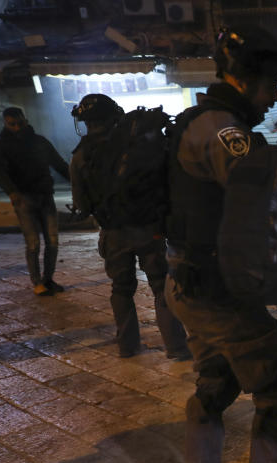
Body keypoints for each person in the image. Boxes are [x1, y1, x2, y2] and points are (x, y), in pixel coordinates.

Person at [164, 25, 277, 463]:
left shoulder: (202, 120)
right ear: (245, 79)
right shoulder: (223, 130)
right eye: (271, 85)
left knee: (215, 379)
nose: (275, 96)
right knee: (275, 378)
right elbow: (262, 194)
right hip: (215, 289)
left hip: (189, 281)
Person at [69, 94, 190, 360]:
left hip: (113, 233)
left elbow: (82, 205)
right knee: (161, 287)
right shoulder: (137, 143)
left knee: (121, 289)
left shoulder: (80, 156)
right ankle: (176, 347)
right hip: (149, 229)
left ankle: (127, 346)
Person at [0, 107, 69, 296]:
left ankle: (48, 279)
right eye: (12, 124)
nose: (17, 128)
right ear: (6, 124)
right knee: (33, 243)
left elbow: (59, 164)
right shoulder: (1, 146)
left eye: (20, 123)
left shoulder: (40, 142)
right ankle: (37, 283)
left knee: (53, 241)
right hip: (23, 198)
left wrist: (77, 184)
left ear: (26, 120)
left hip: (45, 195)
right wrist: (12, 192)